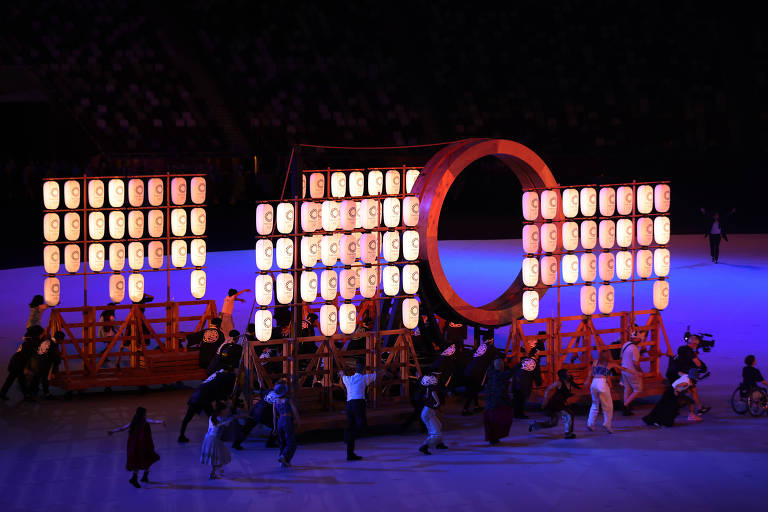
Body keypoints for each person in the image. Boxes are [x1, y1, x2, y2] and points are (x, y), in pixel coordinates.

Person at [338, 360, 387, 461]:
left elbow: (342, 375)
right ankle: (348, 435)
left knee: (351, 427)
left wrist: (341, 373)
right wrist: (373, 369)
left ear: (355, 370)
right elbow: (382, 373)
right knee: (362, 426)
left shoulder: (348, 379)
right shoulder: (364, 378)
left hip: (349, 404)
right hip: (358, 403)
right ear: (363, 370)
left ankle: (350, 453)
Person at [584, 350, 641, 433]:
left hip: (594, 383)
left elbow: (590, 373)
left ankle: (590, 423)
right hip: (602, 384)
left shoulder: (595, 362)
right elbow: (624, 369)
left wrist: (587, 381)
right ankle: (607, 424)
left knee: (594, 404)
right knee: (608, 406)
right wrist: (636, 372)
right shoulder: (610, 364)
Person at [107, 407, 165, 488]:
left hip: (138, 445)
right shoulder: (143, 420)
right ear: (142, 414)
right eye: (145, 413)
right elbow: (153, 421)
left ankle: (142, 477)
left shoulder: (135, 422)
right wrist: (161, 422)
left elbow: (123, 428)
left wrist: (113, 431)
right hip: (141, 445)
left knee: (143, 460)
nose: (145, 415)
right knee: (144, 460)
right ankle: (136, 478)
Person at [179, 366, 236, 443]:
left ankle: (181, 436)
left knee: (188, 417)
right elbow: (220, 391)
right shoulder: (226, 378)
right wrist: (222, 401)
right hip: (204, 398)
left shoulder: (217, 375)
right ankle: (216, 436)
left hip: (196, 396)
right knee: (212, 417)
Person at [668, 335, 710, 419]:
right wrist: (703, 368)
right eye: (697, 344)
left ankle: (699, 408)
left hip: (675, 373)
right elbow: (697, 363)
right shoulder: (689, 352)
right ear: (694, 344)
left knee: (693, 391)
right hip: (682, 375)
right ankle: (690, 413)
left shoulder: (681, 348)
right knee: (686, 393)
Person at [529, 369, 579, 439]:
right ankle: (568, 433)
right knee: (569, 415)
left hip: (561, 404)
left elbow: (576, 392)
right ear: (563, 375)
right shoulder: (559, 383)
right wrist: (545, 400)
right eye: (568, 373)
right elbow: (548, 389)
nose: (569, 374)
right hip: (555, 404)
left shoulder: (570, 383)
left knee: (553, 423)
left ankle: (534, 425)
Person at [201, 403, 241, 479]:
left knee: (216, 456)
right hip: (213, 439)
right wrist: (234, 418)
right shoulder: (219, 419)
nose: (227, 411)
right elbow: (224, 424)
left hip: (208, 438)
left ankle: (214, 472)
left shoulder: (212, 417)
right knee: (219, 456)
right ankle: (217, 470)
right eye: (226, 409)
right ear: (222, 410)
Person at [0, 326, 41, 401]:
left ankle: (25, 395)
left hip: (15, 362)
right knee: (16, 379)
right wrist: (26, 367)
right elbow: (26, 356)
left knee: (16, 379)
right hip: (18, 364)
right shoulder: (30, 344)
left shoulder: (28, 342)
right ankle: (26, 395)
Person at [462, 337, 497, 416]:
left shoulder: (481, 347)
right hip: (477, 372)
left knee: (473, 390)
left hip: (469, 370)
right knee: (473, 390)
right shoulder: (490, 348)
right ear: (491, 341)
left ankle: (476, 406)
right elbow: (497, 356)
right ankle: (465, 409)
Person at [484, 358, 515, 445]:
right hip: (499, 401)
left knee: (491, 421)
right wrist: (522, 363)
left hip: (490, 401)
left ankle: (493, 438)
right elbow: (512, 371)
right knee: (501, 419)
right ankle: (494, 438)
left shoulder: (490, 373)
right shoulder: (502, 375)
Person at [511, 339, 544, 419]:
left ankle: (516, 413)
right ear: (536, 354)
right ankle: (520, 414)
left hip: (516, 382)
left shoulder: (523, 360)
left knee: (517, 398)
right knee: (522, 399)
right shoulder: (535, 363)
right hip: (525, 384)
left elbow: (514, 369)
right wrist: (539, 383)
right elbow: (536, 375)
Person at [272, 382, 300, 467]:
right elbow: (294, 411)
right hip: (287, 420)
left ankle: (283, 461)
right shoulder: (288, 400)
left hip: (280, 421)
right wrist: (298, 421)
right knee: (291, 441)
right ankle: (284, 456)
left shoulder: (275, 401)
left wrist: (274, 427)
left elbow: (274, 415)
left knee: (282, 442)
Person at [29, 330, 63, 399]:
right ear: (59, 339)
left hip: (37, 361)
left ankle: (32, 392)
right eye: (62, 340)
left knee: (37, 377)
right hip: (44, 363)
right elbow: (53, 356)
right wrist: (58, 361)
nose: (62, 342)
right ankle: (45, 393)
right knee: (44, 378)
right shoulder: (53, 345)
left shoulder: (46, 341)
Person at [418, 374, 446, 454]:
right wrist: (437, 402)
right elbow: (434, 395)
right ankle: (425, 446)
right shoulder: (432, 388)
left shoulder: (427, 388)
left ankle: (439, 443)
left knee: (439, 425)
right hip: (428, 412)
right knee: (436, 431)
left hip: (428, 411)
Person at [621, 332, 644, 415]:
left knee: (627, 389)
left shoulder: (625, 345)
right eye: (640, 339)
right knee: (638, 389)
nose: (640, 340)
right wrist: (640, 371)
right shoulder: (634, 348)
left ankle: (626, 408)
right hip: (632, 371)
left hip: (624, 370)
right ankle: (625, 404)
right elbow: (636, 363)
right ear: (636, 339)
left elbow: (622, 357)